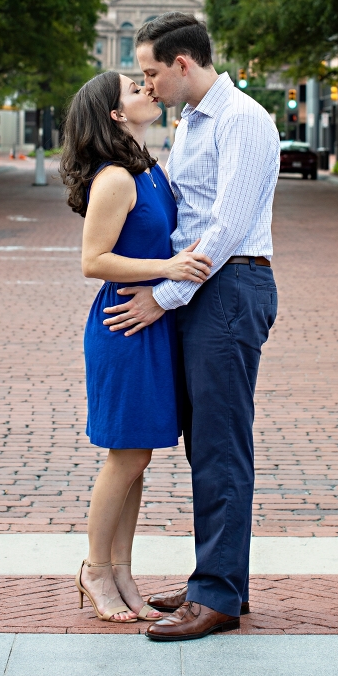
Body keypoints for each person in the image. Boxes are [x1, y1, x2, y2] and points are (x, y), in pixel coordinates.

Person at [102, 13, 280, 642]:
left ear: (182, 63)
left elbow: (226, 227)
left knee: (220, 445)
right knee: (204, 439)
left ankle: (218, 598)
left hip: (228, 288)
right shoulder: (193, 122)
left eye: (151, 72)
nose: (147, 85)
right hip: (202, 290)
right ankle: (220, 579)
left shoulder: (243, 121)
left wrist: (163, 297)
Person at [59, 71, 212, 623]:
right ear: (114, 116)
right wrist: (167, 268)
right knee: (124, 456)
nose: (147, 88)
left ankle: (122, 570)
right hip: (123, 325)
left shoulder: (149, 171)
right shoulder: (116, 179)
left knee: (138, 457)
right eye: (132, 87)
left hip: (150, 325)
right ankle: (95, 568)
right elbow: (92, 260)